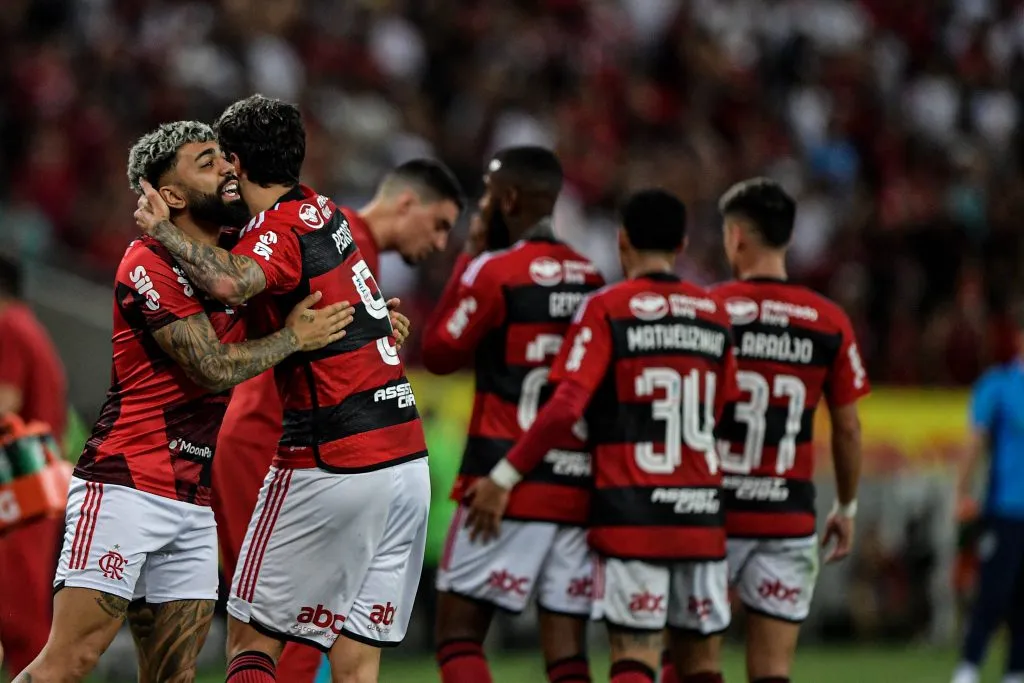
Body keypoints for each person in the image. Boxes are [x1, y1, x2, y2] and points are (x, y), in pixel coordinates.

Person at [14, 121, 354, 683]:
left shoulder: (237, 258)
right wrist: (294, 338)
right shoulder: (146, 262)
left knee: (174, 675)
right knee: (71, 660)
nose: (226, 169)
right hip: (125, 483)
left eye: (223, 157)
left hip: (193, 498)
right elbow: (212, 367)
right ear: (170, 196)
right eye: (206, 162)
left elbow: (313, 294)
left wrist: (370, 323)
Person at [135, 94, 435, 683]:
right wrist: (381, 321)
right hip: (406, 466)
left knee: (251, 636)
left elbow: (231, 282)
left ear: (237, 163)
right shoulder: (324, 210)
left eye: (221, 158)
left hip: (334, 457)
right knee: (355, 662)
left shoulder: (278, 228)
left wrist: (162, 230)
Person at [470, 189, 738, 683]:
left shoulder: (607, 308)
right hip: (700, 512)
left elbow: (565, 408)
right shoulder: (713, 313)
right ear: (681, 244)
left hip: (632, 512)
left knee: (634, 655)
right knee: (702, 664)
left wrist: (504, 476)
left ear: (622, 241)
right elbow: (722, 411)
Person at [212, 158, 463, 683]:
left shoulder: (333, 232)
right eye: (439, 224)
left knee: (305, 629)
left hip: (315, 448)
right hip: (273, 441)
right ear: (407, 203)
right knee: (281, 630)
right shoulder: (332, 230)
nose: (441, 243)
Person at [664, 178, 867, 683]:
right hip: (787, 520)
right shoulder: (828, 320)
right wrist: (846, 506)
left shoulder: (707, 309)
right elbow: (847, 428)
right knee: (773, 672)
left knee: (692, 665)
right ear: (788, 238)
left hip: (712, 515)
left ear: (735, 236)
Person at [421, 146, 604, 683]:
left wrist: (468, 256)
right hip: (573, 485)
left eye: (489, 192)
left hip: (500, 486)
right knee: (567, 654)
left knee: (458, 637)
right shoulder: (592, 278)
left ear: (510, 199)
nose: (483, 203)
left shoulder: (496, 271)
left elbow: (438, 354)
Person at [0, 255, 67, 678]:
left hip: (22, 486)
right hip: (34, 482)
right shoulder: (29, 327)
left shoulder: (8, 327)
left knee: (20, 619)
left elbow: (5, 403)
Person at [951, 308, 1024, 683]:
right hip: (1006, 508)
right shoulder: (999, 385)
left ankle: (1016, 671)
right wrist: (962, 492)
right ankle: (968, 667)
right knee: (993, 592)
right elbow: (975, 442)